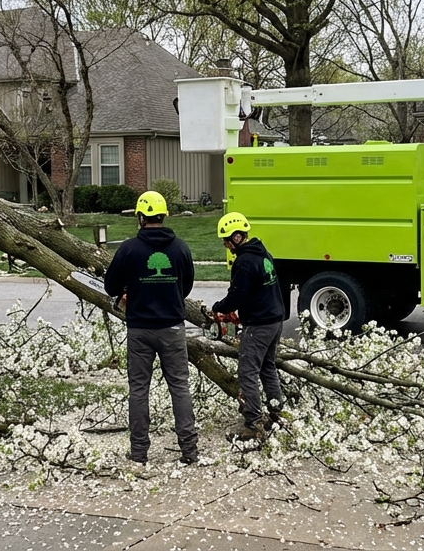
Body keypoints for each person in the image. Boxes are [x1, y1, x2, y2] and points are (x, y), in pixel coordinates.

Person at [103, 190, 200, 465]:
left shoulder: (129, 249)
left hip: (139, 329)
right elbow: (187, 285)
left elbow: (110, 286)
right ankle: (189, 450)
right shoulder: (180, 248)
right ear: (163, 216)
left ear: (141, 218)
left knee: (139, 389)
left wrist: (128, 289)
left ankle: (139, 452)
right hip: (172, 327)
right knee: (180, 387)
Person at [210, 211, 288, 438]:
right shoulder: (262, 253)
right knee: (268, 367)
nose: (225, 244)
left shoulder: (243, 262)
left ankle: (253, 423)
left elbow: (236, 296)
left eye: (226, 239)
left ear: (235, 237)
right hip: (275, 319)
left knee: (247, 372)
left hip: (259, 324)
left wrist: (219, 308)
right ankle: (276, 412)